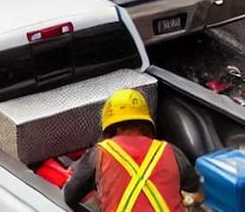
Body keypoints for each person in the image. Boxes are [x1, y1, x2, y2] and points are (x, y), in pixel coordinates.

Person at [63, 89, 204, 212]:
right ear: (145, 124)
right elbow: (194, 186)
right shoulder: (170, 151)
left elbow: (70, 196)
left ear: (112, 126)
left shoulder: (100, 153)